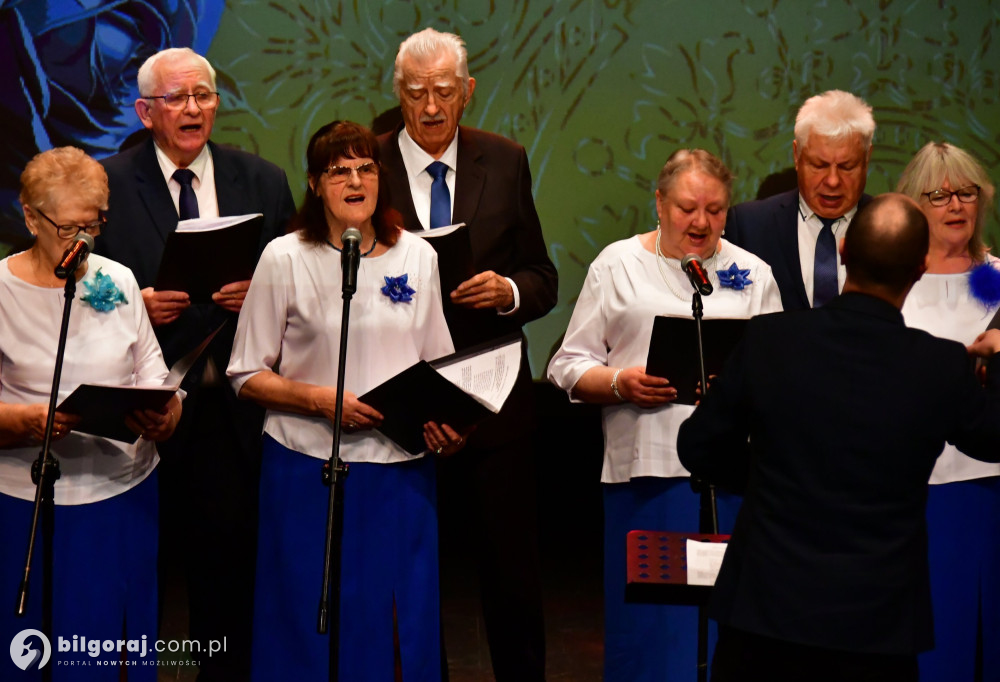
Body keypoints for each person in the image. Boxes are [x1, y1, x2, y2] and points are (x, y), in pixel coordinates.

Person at [678, 193, 1000, 682]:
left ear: (843, 252)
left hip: (764, 613)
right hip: (876, 626)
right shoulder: (939, 366)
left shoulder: (769, 340)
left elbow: (697, 446)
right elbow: (999, 436)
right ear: (920, 268)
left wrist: (766, 479)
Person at [226, 120, 463, 681]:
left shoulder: (418, 257)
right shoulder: (284, 258)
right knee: (303, 614)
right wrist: (317, 400)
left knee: (392, 619)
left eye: (366, 168)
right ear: (314, 184)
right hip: (304, 468)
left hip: (398, 473)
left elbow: (439, 366)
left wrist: (449, 423)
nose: (355, 181)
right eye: (339, 171)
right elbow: (244, 374)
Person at [96, 47, 294, 679]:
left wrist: (262, 293)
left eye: (204, 95)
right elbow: (73, 287)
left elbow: (301, 286)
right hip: (142, 412)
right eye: (177, 98)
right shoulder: (108, 183)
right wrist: (133, 304)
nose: (193, 109)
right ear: (145, 112)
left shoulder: (261, 180)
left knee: (227, 583)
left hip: (234, 415)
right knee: (134, 578)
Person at [547, 149, 783, 682]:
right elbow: (567, 364)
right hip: (646, 477)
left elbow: (781, 373)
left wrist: (740, 390)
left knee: (728, 633)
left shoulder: (754, 273)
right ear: (659, 203)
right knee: (652, 635)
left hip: (735, 480)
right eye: (687, 207)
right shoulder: (616, 264)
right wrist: (619, 382)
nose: (701, 222)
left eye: (716, 210)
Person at [378, 27, 558, 681]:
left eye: (445, 92)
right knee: (401, 575)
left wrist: (506, 289)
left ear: (468, 92)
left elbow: (542, 276)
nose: (431, 108)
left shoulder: (504, 159)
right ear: (398, 92)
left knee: (510, 578)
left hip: (492, 404)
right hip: (398, 402)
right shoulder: (364, 167)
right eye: (417, 93)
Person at [0, 147, 181, 680]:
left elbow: (153, 372)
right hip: (23, 500)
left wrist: (166, 415)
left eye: (93, 225)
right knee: (28, 647)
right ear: (30, 217)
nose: (82, 242)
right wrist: (26, 421)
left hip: (120, 496)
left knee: (106, 648)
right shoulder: (1, 289)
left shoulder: (118, 279)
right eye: (68, 228)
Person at [895, 142, 1000, 681]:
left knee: (980, 618)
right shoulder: (894, 281)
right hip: (912, 480)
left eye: (966, 192)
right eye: (940, 194)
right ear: (914, 206)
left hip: (990, 477)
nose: (956, 204)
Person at [726, 90, 874, 311]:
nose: (833, 181)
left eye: (847, 166)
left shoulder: (891, 231)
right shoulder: (748, 226)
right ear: (796, 156)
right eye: (819, 165)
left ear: (867, 159)